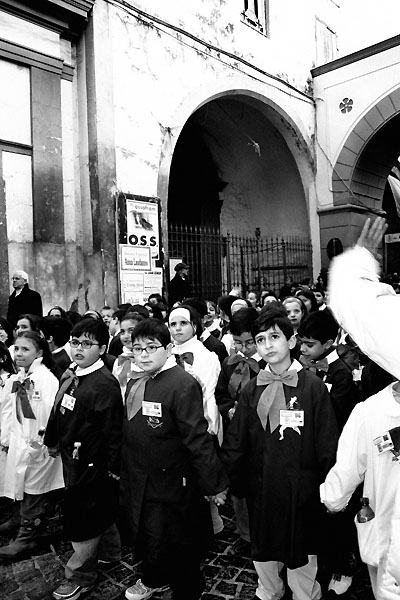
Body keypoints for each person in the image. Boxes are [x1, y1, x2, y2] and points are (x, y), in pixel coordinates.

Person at [221, 307, 338, 600]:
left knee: (303, 548)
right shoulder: (252, 389)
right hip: (263, 485)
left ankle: (304, 593)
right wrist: (232, 479)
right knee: (264, 546)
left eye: (274, 337)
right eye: (260, 340)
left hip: (302, 487)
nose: (267, 345)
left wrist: (329, 484)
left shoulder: (313, 387)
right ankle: (269, 589)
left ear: (292, 340)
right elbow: (238, 439)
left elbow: (326, 441)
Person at [121, 318, 229, 600]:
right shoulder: (137, 380)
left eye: (151, 347)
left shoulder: (181, 384)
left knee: (177, 537)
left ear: (168, 349)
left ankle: (188, 589)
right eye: (138, 349)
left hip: (172, 480)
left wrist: (214, 483)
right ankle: (154, 577)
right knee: (148, 533)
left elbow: (197, 436)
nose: (143, 355)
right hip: (140, 474)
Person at [44, 318, 123, 600]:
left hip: (92, 463)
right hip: (72, 457)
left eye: (87, 344)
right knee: (99, 508)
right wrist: (52, 439)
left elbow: (113, 433)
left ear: (102, 348)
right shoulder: (73, 373)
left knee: (85, 516)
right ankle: (110, 552)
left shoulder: (104, 384)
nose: (79, 348)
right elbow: (58, 409)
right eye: (75, 342)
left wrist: (113, 469)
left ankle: (80, 575)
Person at [298, 309, 360, 596]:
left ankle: (342, 566)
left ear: (328, 343)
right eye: (301, 342)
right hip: (308, 452)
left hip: (334, 452)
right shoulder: (300, 367)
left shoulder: (342, 374)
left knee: (337, 511)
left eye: (309, 344)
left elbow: (337, 418)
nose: (303, 349)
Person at [0, 332, 64, 559]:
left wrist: (40, 443)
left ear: (39, 353)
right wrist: (8, 438)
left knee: (33, 488)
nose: (18, 353)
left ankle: (28, 534)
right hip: (21, 441)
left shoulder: (45, 379)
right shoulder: (21, 376)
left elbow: (49, 414)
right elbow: (13, 410)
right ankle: (18, 519)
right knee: (20, 483)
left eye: (25, 349)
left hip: (39, 445)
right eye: (16, 348)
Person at [215, 307, 264, 552]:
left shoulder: (268, 365)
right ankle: (244, 532)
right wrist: (228, 410)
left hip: (258, 435)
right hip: (235, 434)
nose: (244, 348)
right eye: (238, 343)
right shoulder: (229, 363)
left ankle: (261, 531)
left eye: (250, 342)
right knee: (238, 481)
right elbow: (221, 393)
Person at [112, 312, 145, 398]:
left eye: (131, 331)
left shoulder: (148, 358)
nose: (126, 336)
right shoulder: (119, 361)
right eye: (122, 332)